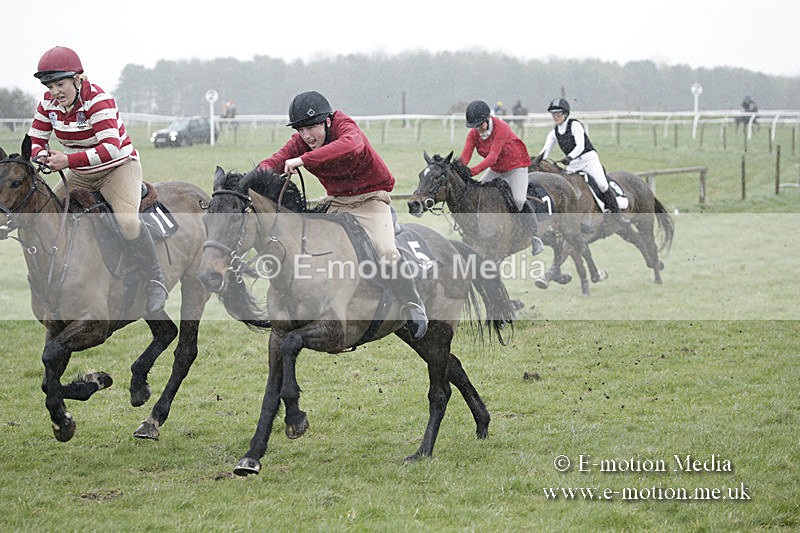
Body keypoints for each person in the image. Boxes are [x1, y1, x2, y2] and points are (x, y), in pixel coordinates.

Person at [257, 90, 428, 339]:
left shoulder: (345, 126)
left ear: (327, 121)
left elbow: (352, 145)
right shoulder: (301, 142)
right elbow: (274, 161)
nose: (306, 136)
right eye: (300, 130)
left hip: (371, 199)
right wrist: (253, 178)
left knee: (387, 251)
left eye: (311, 128)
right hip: (337, 202)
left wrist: (303, 160)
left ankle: (413, 304)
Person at [27, 46, 167, 315]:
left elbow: (110, 149)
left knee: (127, 222)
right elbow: (35, 140)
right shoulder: (47, 103)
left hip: (118, 168)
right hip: (82, 171)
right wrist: (42, 156)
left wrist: (67, 161)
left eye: (60, 83)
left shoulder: (98, 100)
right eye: (50, 85)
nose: (55, 91)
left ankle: (155, 279)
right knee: (49, 215)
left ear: (78, 79)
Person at [459, 100, 544, 255]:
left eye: (480, 125)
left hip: (516, 167)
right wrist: (458, 168)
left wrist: (472, 172)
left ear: (487, 119)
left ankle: (535, 235)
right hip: (497, 169)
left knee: (518, 200)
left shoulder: (501, 128)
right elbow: (465, 156)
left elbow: (492, 157)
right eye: (474, 126)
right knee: (478, 196)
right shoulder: (473, 134)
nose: (477, 129)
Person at [532, 97, 620, 214]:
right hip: (574, 163)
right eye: (553, 114)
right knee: (565, 185)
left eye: (558, 113)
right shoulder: (554, 133)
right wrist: (535, 161)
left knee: (602, 185)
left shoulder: (575, 125)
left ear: (565, 114)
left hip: (588, 160)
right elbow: (545, 151)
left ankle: (615, 213)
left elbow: (580, 146)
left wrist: (569, 157)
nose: (555, 117)